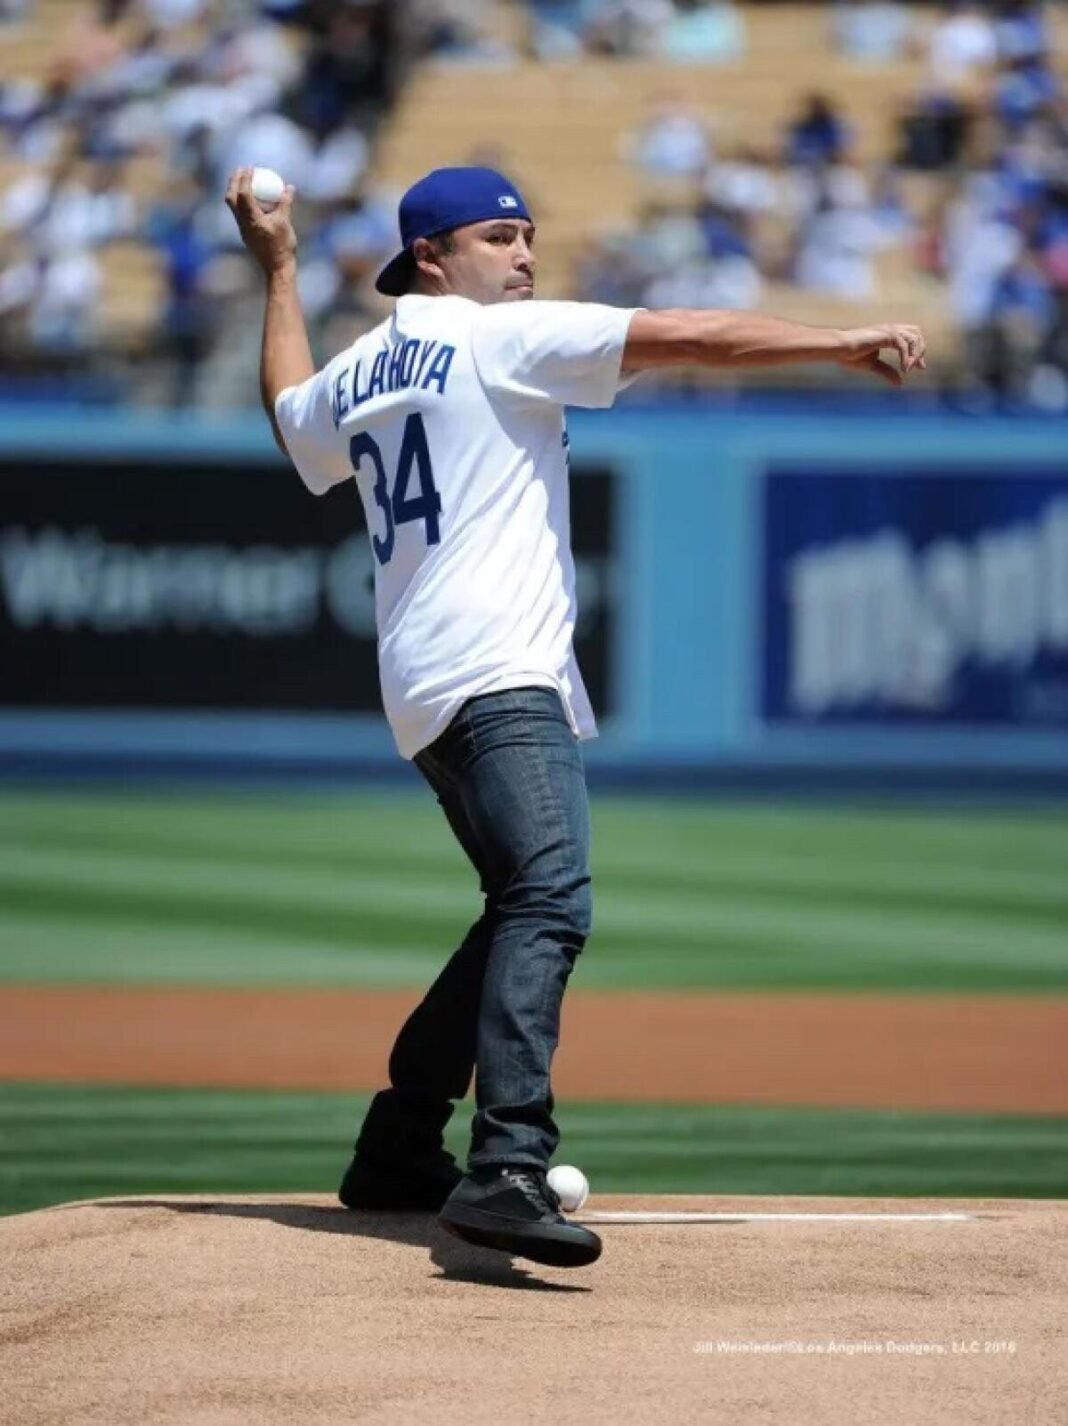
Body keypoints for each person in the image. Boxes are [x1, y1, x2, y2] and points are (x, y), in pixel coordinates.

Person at [225, 163, 926, 1269]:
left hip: (419, 680)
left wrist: (279, 270)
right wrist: (836, 344)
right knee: (550, 895)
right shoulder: (493, 338)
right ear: (430, 259)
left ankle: (400, 1145)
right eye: (499, 236)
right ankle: (507, 1166)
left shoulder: (364, 365)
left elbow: (286, 418)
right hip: (496, 669)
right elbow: (686, 336)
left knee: (517, 900)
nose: (525, 255)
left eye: (528, 236)